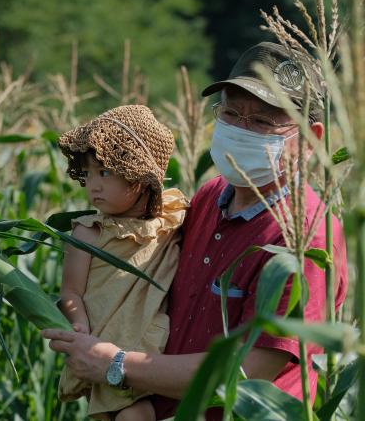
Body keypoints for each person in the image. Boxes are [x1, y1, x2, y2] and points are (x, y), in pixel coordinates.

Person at [42, 41, 348, 420]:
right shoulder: (208, 196)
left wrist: (117, 364)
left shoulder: (306, 241)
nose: (240, 129)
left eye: (261, 121)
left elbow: (251, 371)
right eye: (231, 113)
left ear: (311, 138)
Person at [56, 105, 189, 420]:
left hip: (152, 353)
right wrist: (81, 330)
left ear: (139, 175)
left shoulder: (171, 219)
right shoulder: (89, 233)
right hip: (103, 346)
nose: (93, 186)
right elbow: (71, 292)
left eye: (104, 172)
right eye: (87, 174)